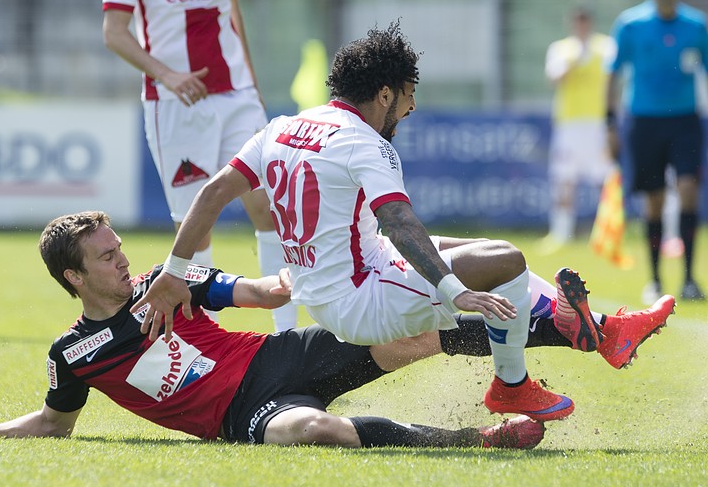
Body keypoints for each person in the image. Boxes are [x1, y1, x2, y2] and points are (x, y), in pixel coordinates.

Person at [133, 22, 677, 424]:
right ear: (385, 93)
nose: (413, 107)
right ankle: (513, 385)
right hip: (360, 296)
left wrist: (176, 270)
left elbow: (211, 194)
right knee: (505, 262)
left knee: (481, 251)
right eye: (410, 94)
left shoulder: (281, 127)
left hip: (333, 283)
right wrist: (452, 290)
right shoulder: (364, 143)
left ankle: (604, 330)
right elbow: (396, 220)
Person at [0, 210, 554, 450]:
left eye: (117, 247)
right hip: (243, 414)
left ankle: (569, 328)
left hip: (281, 356)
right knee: (311, 431)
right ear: (74, 278)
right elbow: (54, 422)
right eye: (106, 256)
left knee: (412, 329)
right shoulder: (74, 354)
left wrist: (287, 283)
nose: (123, 259)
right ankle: (478, 437)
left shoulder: (164, 286)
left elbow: (250, 290)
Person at [101, 0, 297, 332]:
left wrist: (251, 87)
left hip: (238, 97)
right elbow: (114, 33)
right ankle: (212, 338)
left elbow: (233, 12)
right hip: (177, 103)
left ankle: (288, 334)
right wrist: (168, 75)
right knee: (195, 228)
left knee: (270, 209)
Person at [606, 0, 708, 304]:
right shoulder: (630, 24)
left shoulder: (697, 25)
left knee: (689, 190)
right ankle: (656, 280)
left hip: (685, 121)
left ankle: (690, 278)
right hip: (643, 122)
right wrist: (610, 124)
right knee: (654, 200)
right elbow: (613, 74)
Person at [541, 6, 616, 251]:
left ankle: (610, 232)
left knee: (606, 179)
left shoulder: (605, 47)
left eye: (585, 21)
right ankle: (561, 232)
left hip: (597, 123)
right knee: (564, 179)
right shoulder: (561, 49)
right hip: (569, 124)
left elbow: (614, 78)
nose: (581, 26)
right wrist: (572, 61)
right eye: (577, 22)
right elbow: (554, 77)